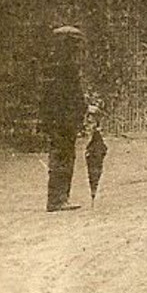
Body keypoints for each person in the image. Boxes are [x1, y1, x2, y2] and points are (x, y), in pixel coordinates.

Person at [42, 25, 89, 212]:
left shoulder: (53, 66)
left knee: (61, 155)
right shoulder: (67, 68)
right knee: (63, 156)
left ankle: (59, 197)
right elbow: (72, 95)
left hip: (57, 118)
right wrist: (86, 108)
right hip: (63, 119)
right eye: (75, 45)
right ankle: (57, 199)